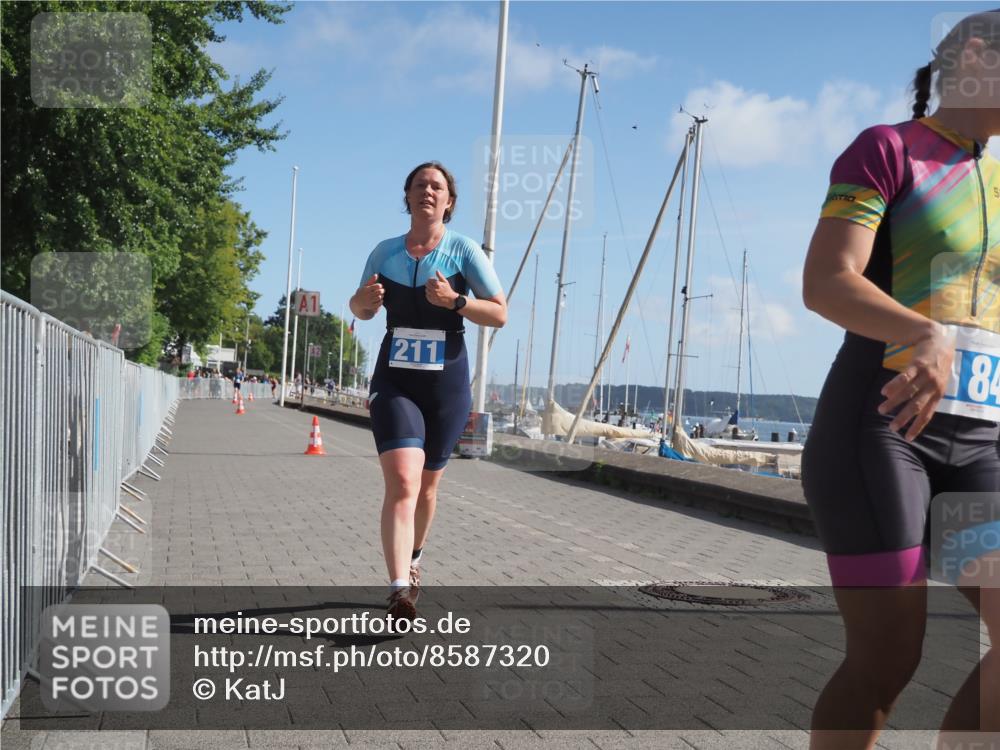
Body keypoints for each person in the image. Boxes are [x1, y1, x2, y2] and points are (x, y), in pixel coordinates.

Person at [801, 10, 999, 748]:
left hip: (981, 443)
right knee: (887, 660)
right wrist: (922, 330)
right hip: (880, 433)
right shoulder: (887, 150)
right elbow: (826, 281)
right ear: (977, 55)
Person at [349, 161, 507, 620]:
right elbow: (359, 308)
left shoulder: (464, 251)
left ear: (449, 201)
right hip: (395, 378)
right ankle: (400, 589)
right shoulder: (384, 252)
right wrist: (364, 302)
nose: (428, 192)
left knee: (427, 488)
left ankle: (415, 557)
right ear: (408, 196)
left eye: (437, 186)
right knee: (402, 481)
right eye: (420, 185)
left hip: (446, 383)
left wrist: (456, 302)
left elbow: (500, 313)